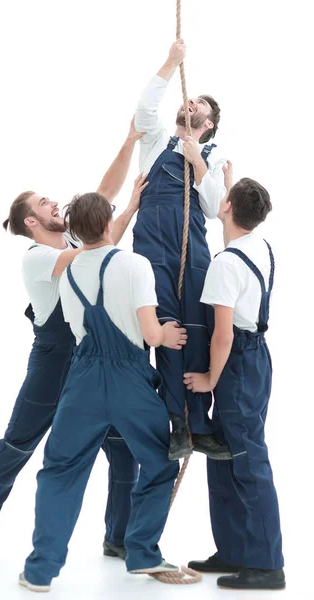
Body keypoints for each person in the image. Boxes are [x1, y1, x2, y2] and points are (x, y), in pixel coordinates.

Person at [0, 123, 143, 560]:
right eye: (44, 202)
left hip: (91, 363)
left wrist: (129, 145)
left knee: (121, 447)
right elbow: (99, 243)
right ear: (32, 221)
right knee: (16, 447)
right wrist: (115, 216)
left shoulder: (77, 238)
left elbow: (102, 201)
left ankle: (118, 537)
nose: (54, 202)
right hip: (54, 364)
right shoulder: (38, 258)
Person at [19, 192, 186, 592]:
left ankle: (40, 571)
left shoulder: (69, 271)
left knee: (60, 469)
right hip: (130, 379)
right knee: (160, 463)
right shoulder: (134, 265)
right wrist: (166, 333)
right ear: (108, 225)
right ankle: (143, 552)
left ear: (74, 231)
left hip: (83, 380)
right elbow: (149, 333)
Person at [185, 162, 285, 591]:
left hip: (236, 361)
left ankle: (266, 564)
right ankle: (232, 549)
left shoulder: (225, 263)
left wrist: (209, 378)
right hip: (256, 356)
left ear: (225, 208)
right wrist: (230, 186)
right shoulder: (260, 245)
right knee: (225, 454)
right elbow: (238, 209)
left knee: (247, 458)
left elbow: (222, 335)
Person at [134, 39, 231, 461]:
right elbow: (143, 110)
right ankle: (177, 424)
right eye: (189, 99)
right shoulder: (155, 141)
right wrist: (172, 64)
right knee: (166, 331)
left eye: (199, 105)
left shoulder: (209, 153)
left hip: (192, 243)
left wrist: (199, 162)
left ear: (208, 124)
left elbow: (212, 208)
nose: (191, 103)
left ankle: (201, 424)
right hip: (152, 241)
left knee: (198, 326)